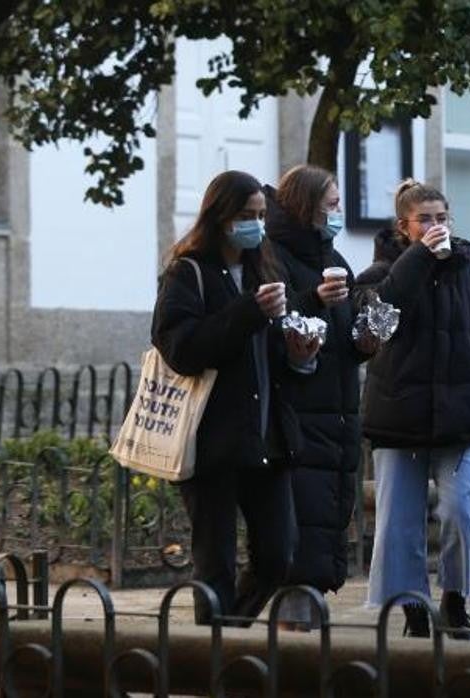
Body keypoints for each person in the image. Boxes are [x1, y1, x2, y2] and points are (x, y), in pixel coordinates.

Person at [151, 170, 318, 626]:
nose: (256, 226)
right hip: (212, 442)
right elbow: (181, 349)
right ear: (220, 216)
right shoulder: (188, 273)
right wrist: (247, 313)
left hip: (266, 439)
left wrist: (301, 356)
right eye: (246, 215)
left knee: (278, 555)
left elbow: (272, 359)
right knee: (215, 566)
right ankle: (213, 664)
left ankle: (229, 637)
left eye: (262, 216)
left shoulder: (265, 270)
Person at [358, 179, 470, 640]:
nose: (435, 227)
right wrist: (418, 258)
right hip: (397, 418)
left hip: (458, 417)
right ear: (403, 227)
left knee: (465, 510)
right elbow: (378, 318)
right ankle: (413, 611)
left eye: (441, 218)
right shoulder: (380, 275)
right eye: (424, 219)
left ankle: (453, 599)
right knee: (399, 525)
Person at [263, 165, 379, 628]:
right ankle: (293, 623)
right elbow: (278, 320)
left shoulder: (333, 255)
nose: (338, 212)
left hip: (337, 414)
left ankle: (305, 612)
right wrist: (313, 299)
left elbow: (342, 338)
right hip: (300, 416)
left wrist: (364, 342)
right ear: (306, 206)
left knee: (326, 514)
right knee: (301, 520)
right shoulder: (273, 255)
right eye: (332, 204)